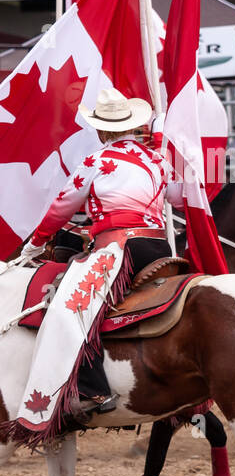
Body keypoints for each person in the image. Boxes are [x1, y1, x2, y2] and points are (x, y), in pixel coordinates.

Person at [11, 88, 183, 436]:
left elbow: (62, 206)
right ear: (133, 126)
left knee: (68, 308)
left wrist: (36, 243)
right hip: (160, 249)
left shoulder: (95, 161)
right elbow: (180, 197)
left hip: (119, 249)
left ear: (103, 130)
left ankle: (93, 390)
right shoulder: (156, 160)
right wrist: (167, 156)